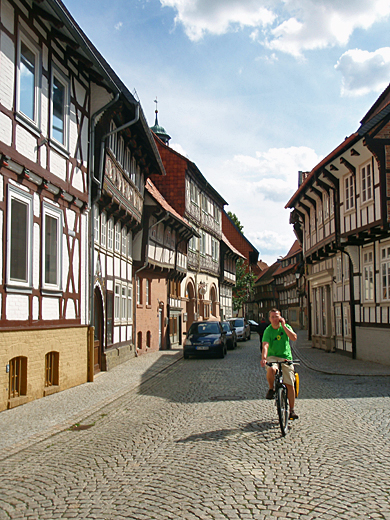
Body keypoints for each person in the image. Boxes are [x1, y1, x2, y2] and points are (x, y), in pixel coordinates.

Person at [260, 308, 299, 420]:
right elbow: (265, 345)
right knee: (271, 369)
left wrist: (285, 326)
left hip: (285, 357)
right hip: (272, 357)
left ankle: (291, 410)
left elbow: (294, 338)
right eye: (272, 317)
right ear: (269, 319)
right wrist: (263, 358)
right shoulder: (268, 330)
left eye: (277, 316)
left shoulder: (285, 327)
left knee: (290, 384)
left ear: (280, 317)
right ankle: (271, 389)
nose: (275, 319)